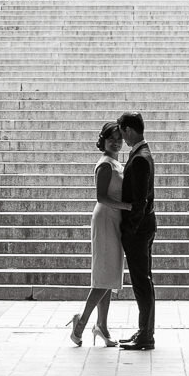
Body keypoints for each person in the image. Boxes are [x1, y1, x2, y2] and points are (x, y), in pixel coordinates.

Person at [67, 121, 125, 347]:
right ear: (103, 140)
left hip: (115, 218)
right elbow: (101, 197)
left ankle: (102, 325)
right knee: (103, 274)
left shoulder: (116, 163)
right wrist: (127, 206)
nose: (117, 142)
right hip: (105, 218)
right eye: (112, 138)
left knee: (109, 274)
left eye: (119, 138)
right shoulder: (105, 165)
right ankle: (81, 323)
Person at [117, 110, 155, 350]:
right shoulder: (143, 153)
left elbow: (140, 202)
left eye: (122, 133)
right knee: (144, 280)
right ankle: (144, 331)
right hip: (144, 227)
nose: (122, 138)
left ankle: (146, 335)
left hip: (139, 230)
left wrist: (129, 231)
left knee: (141, 281)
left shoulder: (140, 158)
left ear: (129, 130)